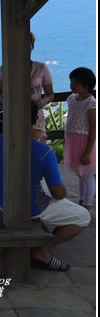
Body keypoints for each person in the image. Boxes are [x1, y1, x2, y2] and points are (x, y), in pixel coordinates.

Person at [0, 100, 91, 271]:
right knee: (82, 216)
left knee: (39, 187)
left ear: (2, 119)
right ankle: (42, 251)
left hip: (3, 203)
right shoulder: (43, 152)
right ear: (34, 120)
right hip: (31, 209)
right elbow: (59, 193)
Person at [0, 31, 54, 140]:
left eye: (27, 43)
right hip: (13, 116)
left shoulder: (41, 68)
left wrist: (44, 101)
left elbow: (50, 94)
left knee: (37, 149)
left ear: (32, 46)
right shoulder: (4, 68)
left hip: (35, 117)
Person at [63, 67, 96, 211]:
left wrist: (88, 152)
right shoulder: (71, 99)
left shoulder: (91, 103)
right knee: (80, 174)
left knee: (87, 175)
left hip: (84, 142)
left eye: (75, 83)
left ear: (86, 85)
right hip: (73, 139)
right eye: (71, 82)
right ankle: (81, 202)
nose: (72, 85)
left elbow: (94, 129)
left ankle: (87, 206)